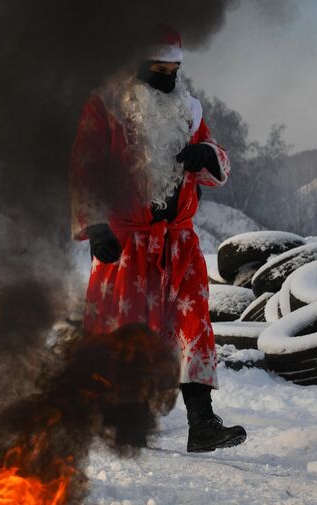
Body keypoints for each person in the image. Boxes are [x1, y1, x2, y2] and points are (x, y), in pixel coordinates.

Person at [69, 25, 246, 452]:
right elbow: (85, 168)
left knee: (193, 326)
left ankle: (202, 422)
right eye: (158, 69)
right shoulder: (106, 106)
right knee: (123, 329)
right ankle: (117, 414)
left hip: (179, 242)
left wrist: (211, 156)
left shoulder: (190, 111)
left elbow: (214, 170)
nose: (167, 77)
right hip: (127, 242)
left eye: (174, 69)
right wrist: (94, 226)